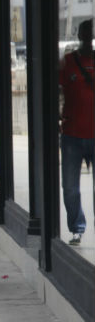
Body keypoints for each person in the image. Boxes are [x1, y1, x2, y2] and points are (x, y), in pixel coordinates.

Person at [59, 19, 94, 246]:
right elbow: (56, 91)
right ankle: (77, 228)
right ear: (79, 34)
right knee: (70, 187)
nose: (87, 35)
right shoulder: (68, 63)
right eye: (84, 31)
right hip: (72, 135)